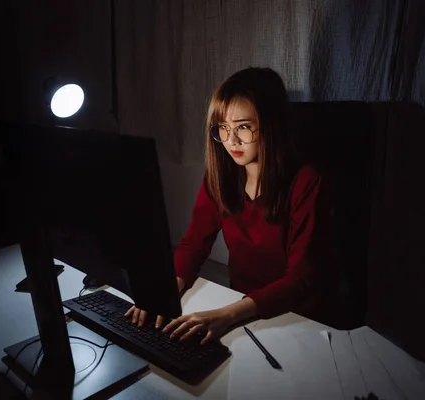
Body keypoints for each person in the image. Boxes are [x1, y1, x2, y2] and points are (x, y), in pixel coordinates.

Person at [125, 67, 336, 344]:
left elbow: (301, 279)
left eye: (244, 127)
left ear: (271, 126)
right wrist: (162, 294)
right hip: (241, 306)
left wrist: (227, 314)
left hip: (294, 315)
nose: (231, 141)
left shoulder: (306, 182)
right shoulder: (220, 177)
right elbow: (194, 243)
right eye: (223, 128)